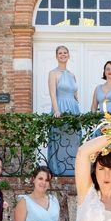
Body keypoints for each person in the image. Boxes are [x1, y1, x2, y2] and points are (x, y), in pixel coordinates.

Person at [48, 45, 80, 176]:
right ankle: (58, 169)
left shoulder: (72, 75)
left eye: (65, 53)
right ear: (56, 56)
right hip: (60, 107)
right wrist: (56, 110)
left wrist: (76, 102)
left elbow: (75, 93)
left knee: (74, 139)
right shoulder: (53, 73)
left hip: (73, 109)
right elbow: (52, 94)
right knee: (60, 138)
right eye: (60, 53)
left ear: (68, 55)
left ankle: (73, 169)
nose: (63, 55)